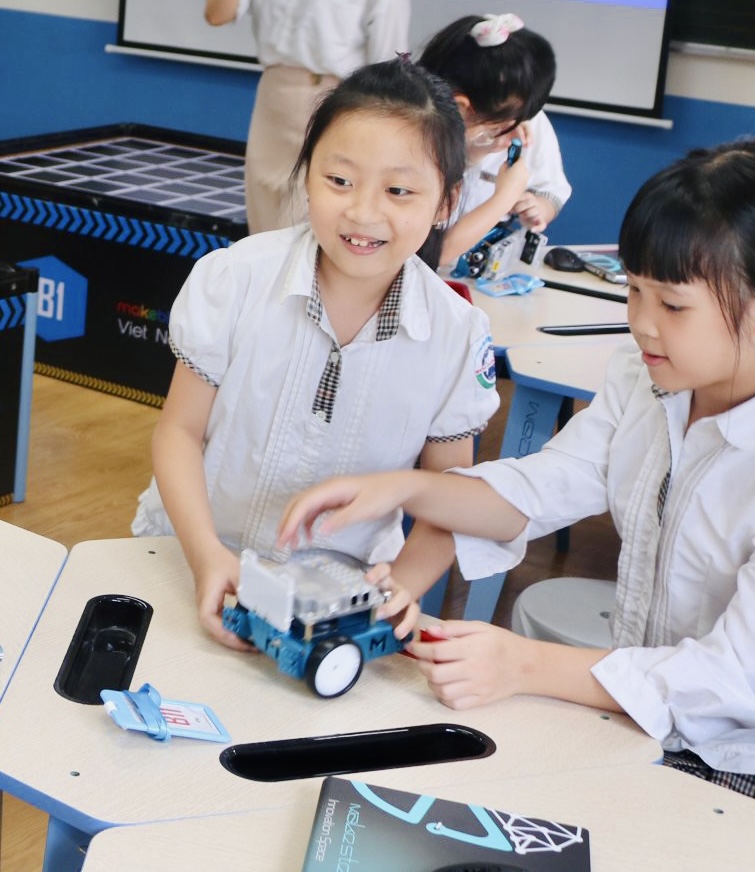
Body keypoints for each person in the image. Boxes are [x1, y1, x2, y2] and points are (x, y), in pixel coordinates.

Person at [278, 137, 755, 837]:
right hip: (637, 722)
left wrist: (523, 664)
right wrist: (402, 489)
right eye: (634, 289)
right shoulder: (646, 380)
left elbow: (742, 675)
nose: (641, 322)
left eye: (672, 305)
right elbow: (541, 488)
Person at [131, 58, 499, 650]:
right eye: (339, 181)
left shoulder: (455, 334)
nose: (363, 212)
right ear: (307, 176)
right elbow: (179, 431)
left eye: (399, 191)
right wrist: (206, 555)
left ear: (445, 203)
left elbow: (449, 494)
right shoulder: (235, 277)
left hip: (339, 597)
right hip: (187, 550)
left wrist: (402, 586)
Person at [204, 0, 410, 233]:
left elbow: (389, 64)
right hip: (274, 95)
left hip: (337, 102)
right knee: (263, 220)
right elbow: (216, 15)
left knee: (308, 221)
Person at [417, 13, 571, 267]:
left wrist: (539, 207)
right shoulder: (412, 144)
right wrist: (505, 196)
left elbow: (551, 190)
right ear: (460, 108)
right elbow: (431, 255)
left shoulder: (524, 120)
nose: (517, 134)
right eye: (501, 127)